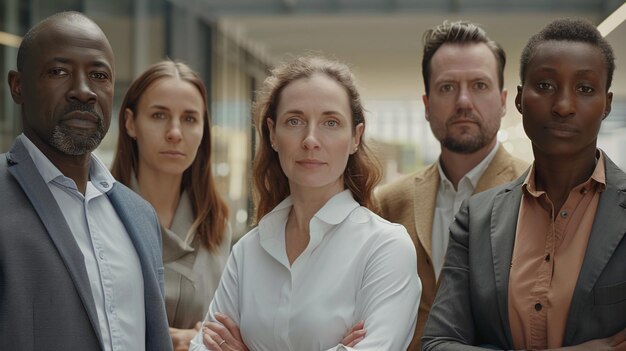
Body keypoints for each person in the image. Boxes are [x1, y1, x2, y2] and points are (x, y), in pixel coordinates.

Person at [189, 56, 421, 351]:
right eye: (294, 121)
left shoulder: (385, 247)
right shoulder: (248, 251)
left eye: (331, 122)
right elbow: (203, 346)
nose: (311, 139)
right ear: (273, 134)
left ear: (355, 138)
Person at [422, 18, 626, 350]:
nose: (563, 106)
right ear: (519, 100)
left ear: (607, 104)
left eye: (585, 89)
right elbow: (438, 343)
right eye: (545, 85)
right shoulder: (476, 218)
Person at [0, 11, 171, 350]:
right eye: (59, 72)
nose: (83, 91)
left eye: (98, 75)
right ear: (17, 86)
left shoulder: (140, 215)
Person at [375, 20, 528, 349]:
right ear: (427, 106)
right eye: (447, 87)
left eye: (479, 85)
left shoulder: (535, 191)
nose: (463, 101)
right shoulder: (388, 203)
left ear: (503, 101)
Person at [111, 60, 231, 351]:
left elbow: (228, 328)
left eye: (190, 119)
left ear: (204, 130)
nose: (175, 132)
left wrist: (200, 340)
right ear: (130, 123)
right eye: (159, 115)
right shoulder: (98, 214)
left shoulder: (216, 226)